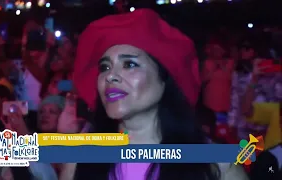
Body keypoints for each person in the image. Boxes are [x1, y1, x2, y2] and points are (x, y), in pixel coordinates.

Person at [67, 9, 248, 180]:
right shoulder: (81, 157)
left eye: (129, 64)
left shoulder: (216, 163)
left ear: (164, 79)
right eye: (104, 67)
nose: (110, 76)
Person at [227, 40, 282, 140]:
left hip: (269, 129)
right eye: (241, 49)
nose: (243, 52)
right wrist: (232, 123)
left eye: (247, 49)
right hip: (244, 127)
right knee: (244, 154)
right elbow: (235, 99)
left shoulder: (277, 77)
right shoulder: (239, 74)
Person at [202, 39, 234, 113]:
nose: (217, 51)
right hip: (211, 99)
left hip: (225, 100)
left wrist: (223, 67)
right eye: (215, 49)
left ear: (224, 50)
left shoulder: (230, 62)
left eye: (219, 49)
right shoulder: (207, 62)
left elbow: (232, 79)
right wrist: (213, 68)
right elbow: (203, 80)